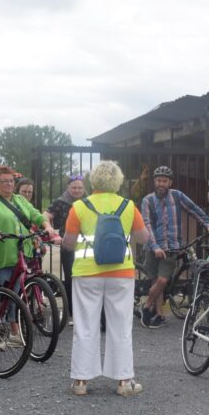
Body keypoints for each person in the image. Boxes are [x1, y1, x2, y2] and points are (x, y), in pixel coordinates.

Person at [62, 160, 149, 396]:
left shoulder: (79, 207)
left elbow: (68, 243)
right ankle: (124, 381)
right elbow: (143, 238)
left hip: (86, 273)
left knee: (85, 325)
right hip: (121, 273)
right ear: (118, 181)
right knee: (120, 326)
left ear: (93, 181)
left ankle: (81, 380)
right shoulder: (128, 206)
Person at [0, 165, 56, 343]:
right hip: (1, 255)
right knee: (2, 294)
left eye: (11, 181)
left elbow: (35, 215)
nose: (9, 184)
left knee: (15, 296)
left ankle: (13, 330)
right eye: (4, 181)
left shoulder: (20, 200)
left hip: (21, 254)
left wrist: (47, 227)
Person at [140, 166, 209, 328]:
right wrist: (155, 247)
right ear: (154, 182)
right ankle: (159, 315)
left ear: (170, 182)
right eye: (159, 180)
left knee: (162, 280)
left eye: (165, 181)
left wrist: (207, 223)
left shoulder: (177, 196)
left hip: (171, 247)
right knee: (155, 280)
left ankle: (147, 306)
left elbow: (194, 209)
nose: (161, 184)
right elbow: (147, 225)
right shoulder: (148, 200)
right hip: (153, 247)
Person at [44, 174, 86, 324]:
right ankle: (72, 314)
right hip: (68, 245)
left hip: (87, 246)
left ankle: (86, 312)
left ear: (84, 188)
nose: (76, 190)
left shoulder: (88, 201)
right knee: (71, 278)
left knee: (87, 279)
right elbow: (46, 215)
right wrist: (49, 229)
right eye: (74, 187)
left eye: (79, 187)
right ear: (68, 188)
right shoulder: (61, 202)